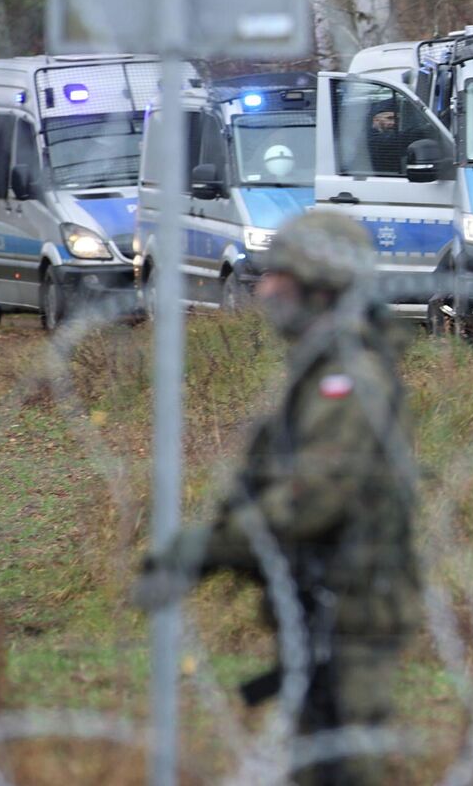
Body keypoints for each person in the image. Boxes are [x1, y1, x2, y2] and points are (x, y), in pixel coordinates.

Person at [135, 211, 421, 786]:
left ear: (317, 283)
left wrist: (207, 548)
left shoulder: (349, 375)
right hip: (326, 601)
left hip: (353, 605)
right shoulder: (320, 367)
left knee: (342, 768)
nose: (263, 290)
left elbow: (313, 496)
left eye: (277, 276)